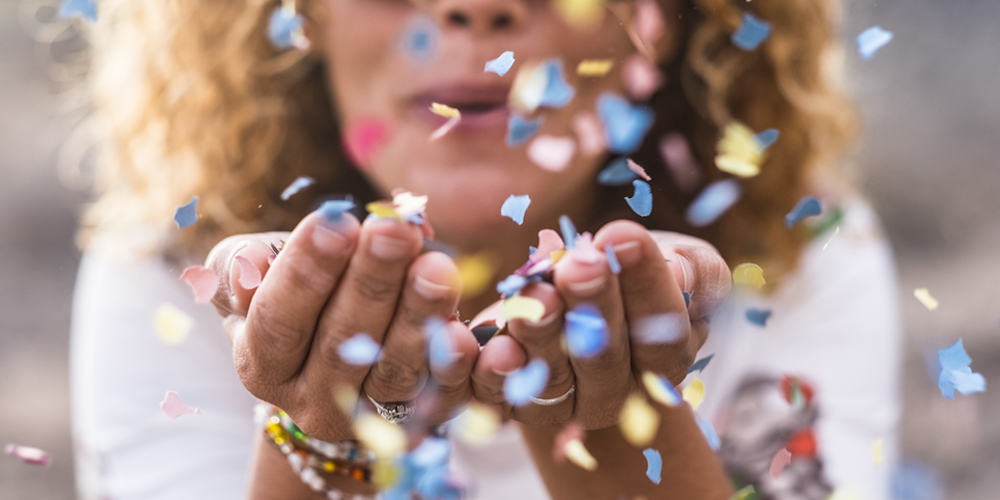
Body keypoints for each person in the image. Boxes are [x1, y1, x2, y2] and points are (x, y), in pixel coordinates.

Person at [70, 0, 900, 498]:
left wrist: (611, 422)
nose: (472, 5)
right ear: (298, 12)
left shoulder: (797, 251)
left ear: (670, 16)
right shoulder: (172, 269)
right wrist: (324, 444)